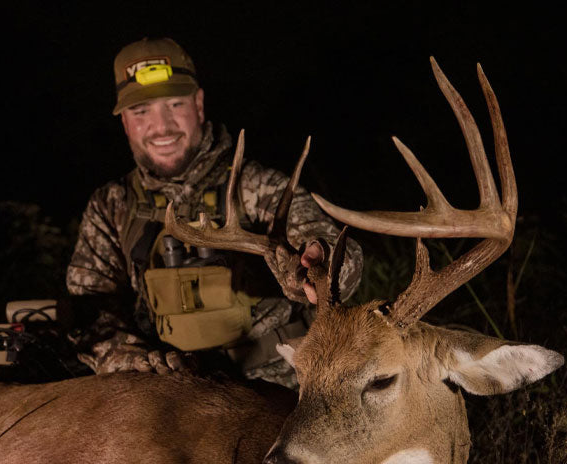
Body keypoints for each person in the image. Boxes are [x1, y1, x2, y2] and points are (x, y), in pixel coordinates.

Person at [66, 37, 362, 388]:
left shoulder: (257, 186)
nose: (161, 127)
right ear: (125, 123)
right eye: (141, 111)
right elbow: (87, 309)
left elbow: (334, 247)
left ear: (199, 105)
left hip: (276, 384)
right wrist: (138, 362)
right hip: (164, 393)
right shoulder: (110, 205)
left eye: (175, 105)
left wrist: (317, 265)